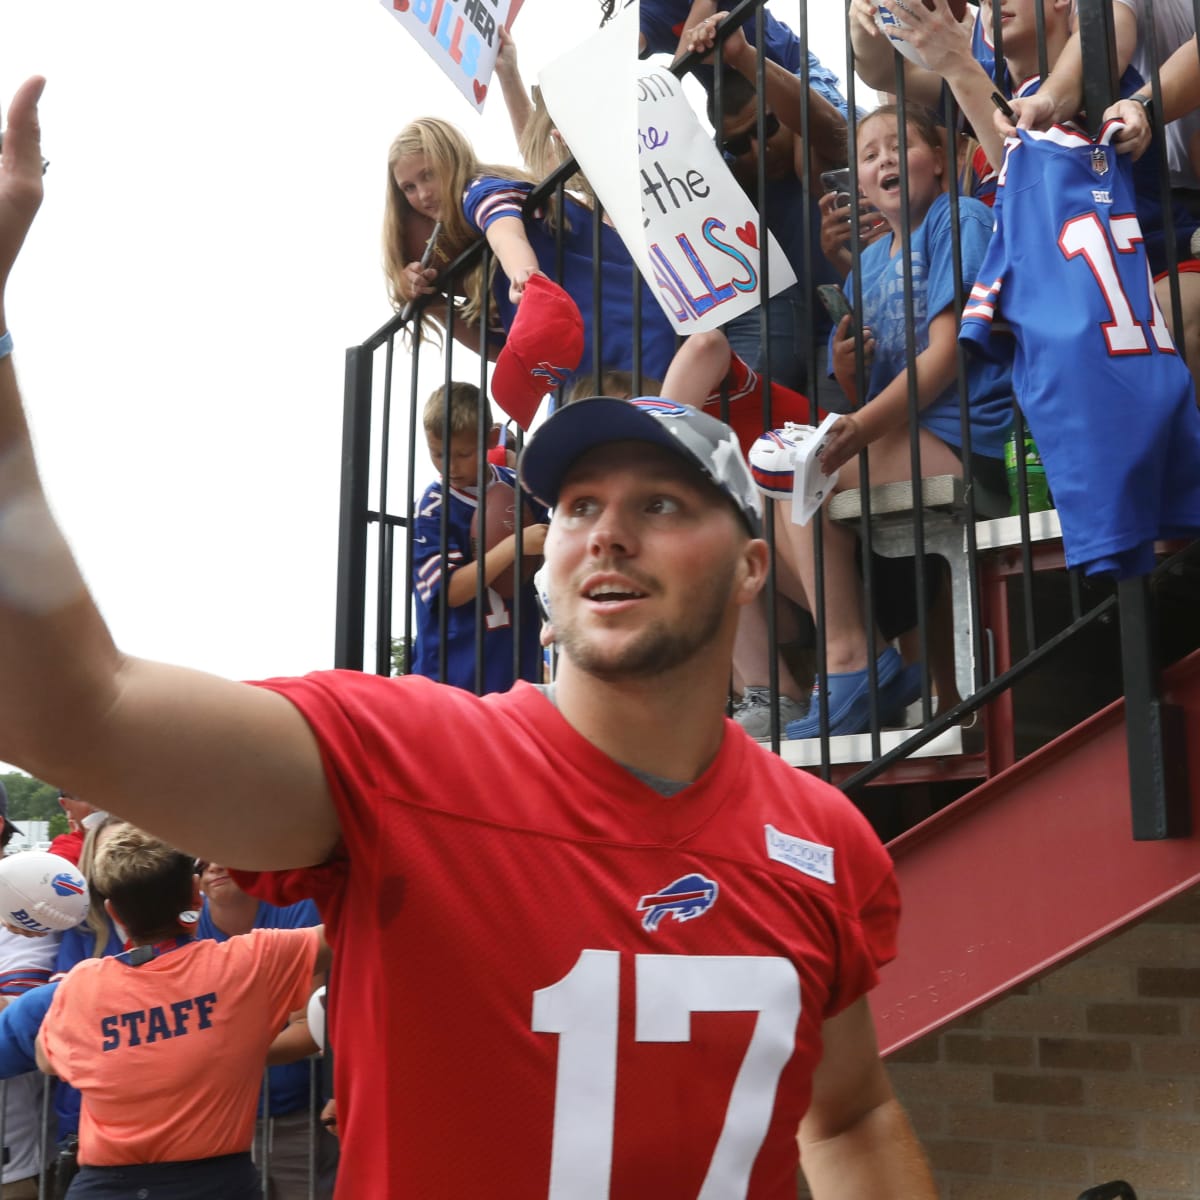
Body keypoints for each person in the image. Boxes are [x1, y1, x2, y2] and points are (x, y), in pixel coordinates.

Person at [0, 78, 935, 1197]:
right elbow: (70, 712)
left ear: (749, 568)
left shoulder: (824, 840)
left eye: (665, 504)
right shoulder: (399, 759)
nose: (608, 535)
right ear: (544, 556)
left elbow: (851, 1114)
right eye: (578, 506)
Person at [782, 104, 1013, 739]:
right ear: (856, 184)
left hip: (970, 439)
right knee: (778, 488)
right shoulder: (868, 266)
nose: (884, 158)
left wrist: (856, 424)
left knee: (805, 478)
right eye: (869, 153)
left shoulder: (959, 220)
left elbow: (945, 357)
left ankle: (856, 665)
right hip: (905, 438)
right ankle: (863, 659)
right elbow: (875, 387)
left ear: (939, 160)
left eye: (899, 145)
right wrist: (848, 370)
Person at [36, 825, 328, 1200]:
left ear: (114, 912)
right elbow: (346, 929)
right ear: (196, 895)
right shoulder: (249, 961)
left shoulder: (83, 983)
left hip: (104, 1184)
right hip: (215, 1183)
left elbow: (47, 1060)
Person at [385, 115, 679, 397]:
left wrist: (525, 276)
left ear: (451, 160)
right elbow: (503, 350)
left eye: (428, 175)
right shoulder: (479, 261)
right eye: (409, 188)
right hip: (586, 372)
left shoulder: (479, 191)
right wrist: (435, 304)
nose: (422, 195)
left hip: (631, 337)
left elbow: (505, 233)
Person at [196, 863, 337, 1200]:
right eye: (202, 859)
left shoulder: (295, 909)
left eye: (227, 851)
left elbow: (306, 1028)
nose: (215, 863)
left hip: (295, 1115)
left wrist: (219, 1053)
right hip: (214, 1124)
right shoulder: (186, 922)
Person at [412, 381, 547, 694]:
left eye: (462, 454)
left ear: (488, 440)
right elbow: (450, 591)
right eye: (437, 454)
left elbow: (549, 544)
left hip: (516, 669)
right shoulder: (433, 509)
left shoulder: (520, 487)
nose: (450, 466)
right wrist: (515, 546)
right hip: (452, 679)